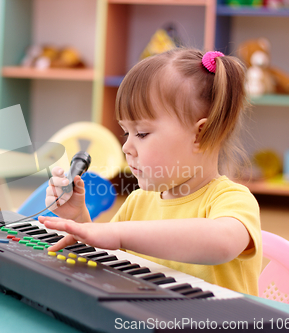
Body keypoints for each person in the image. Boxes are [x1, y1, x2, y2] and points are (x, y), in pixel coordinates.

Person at [38, 48, 261, 296]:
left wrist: (118, 234)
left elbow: (222, 242)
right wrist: (78, 220)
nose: (126, 147)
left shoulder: (231, 199)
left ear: (200, 134)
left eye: (142, 133)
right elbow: (109, 264)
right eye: (126, 132)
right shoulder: (137, 203)